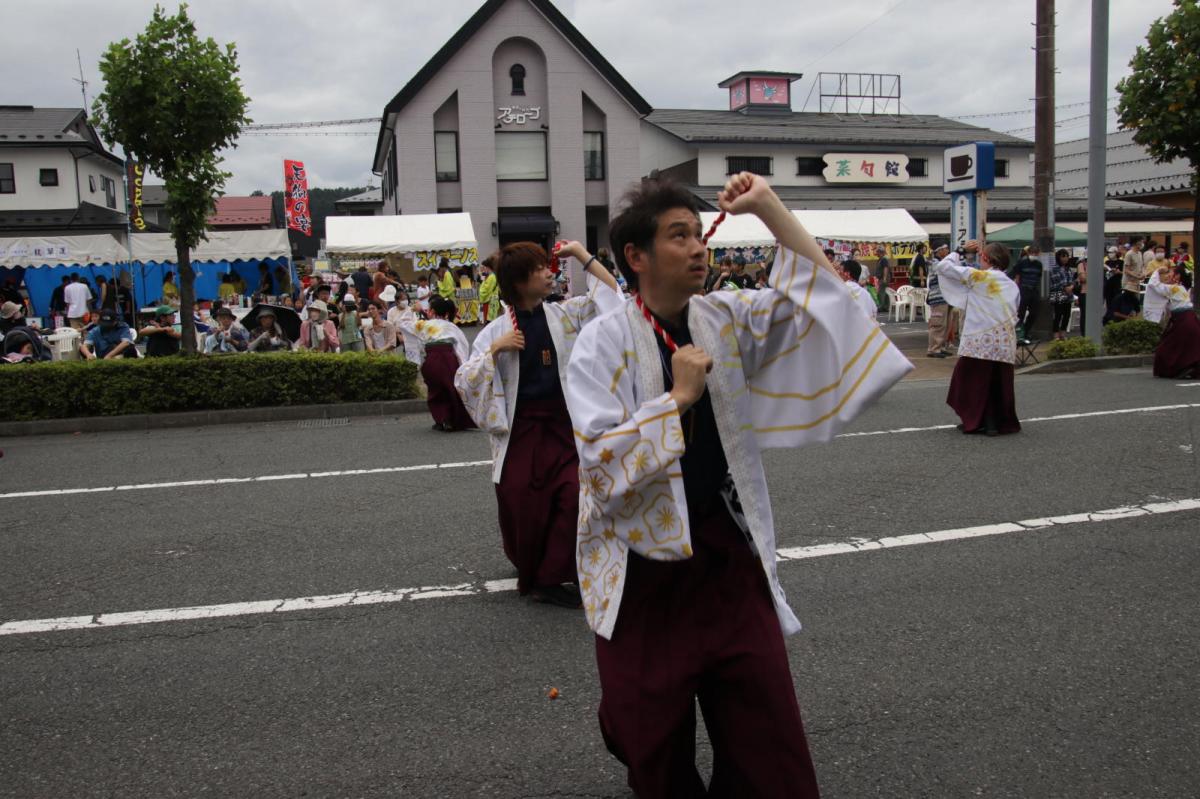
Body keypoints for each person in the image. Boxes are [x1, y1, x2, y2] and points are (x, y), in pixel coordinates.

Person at [564, 174, 910, 797]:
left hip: (727, 555)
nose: (698, 247)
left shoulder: (724, 317)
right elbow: (598, 466)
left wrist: (770, 209)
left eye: (699, 234)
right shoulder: (601, 342)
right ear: (636, 257)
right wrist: (677, 400)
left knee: (768, 740)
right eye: (679, 236)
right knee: (653, 747)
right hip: (643, 572)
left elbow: (824, 298)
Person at [454, 238, 621, 607]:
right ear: (519, 282)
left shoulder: (565, 314)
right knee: (522, 502)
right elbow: (464, 380)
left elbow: (611, 297)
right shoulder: (495, 331)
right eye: (540, 269)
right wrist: (495, 351)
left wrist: (581, 254)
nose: (550, 273)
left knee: (574, 496)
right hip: (520, 432)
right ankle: (535, 566)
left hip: (563, 426)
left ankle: (556, 576)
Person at [937, 240, 1021, 436]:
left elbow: (943, 267)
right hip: (1004, 341)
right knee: (997, 383)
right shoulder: (1011, 285)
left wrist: (959, 251)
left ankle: (977, 420)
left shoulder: (978, 277)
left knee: (971, 381)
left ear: (985, 258)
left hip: (978, 340)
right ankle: (997, 422)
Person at [394, 295, 477, 431]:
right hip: (449, 359)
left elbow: (402, 323)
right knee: (451, 389)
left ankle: (442, 419)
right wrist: (463, 365)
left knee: (435, 390)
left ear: (432, 311)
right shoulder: (452, 327)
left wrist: (412, 310)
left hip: (431, 359)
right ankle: (452, 419)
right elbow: (462, 346)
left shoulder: (425, 324)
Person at [1152, 265, 1200, 378]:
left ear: (1177, 276)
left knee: (1169, 347)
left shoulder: (1174, 288)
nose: (1168, 275)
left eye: (1170, 273)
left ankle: (1179, 369)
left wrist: (1157, 271)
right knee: (1188, 346)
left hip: (1184, 321)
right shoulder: (1181, 288)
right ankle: (1188, 369)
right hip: (1188, 319)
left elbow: (1155, 285)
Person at [926, 243, 953, 357]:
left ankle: (940, 346)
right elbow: (943, 270)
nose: (947, 251)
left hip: (946, 297)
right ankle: (933, 348)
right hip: (938, 297)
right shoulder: (934, 263)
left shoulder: (943, 263)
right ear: (939, 250)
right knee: (938, 324)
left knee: (946, 324)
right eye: (945, 249)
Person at [1010, 245, 1043, 342]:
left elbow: (1039, 277)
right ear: (1028, 253)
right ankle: (1018, 334)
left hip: (1034, 290)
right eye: (1032, 253)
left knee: (1034, 313)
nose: (1034, 255)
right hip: (1023, 289)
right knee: (1021, 313)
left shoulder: (1039, 264)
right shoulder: (1022, 262)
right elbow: (1014, 273)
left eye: (1036, 254)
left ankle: (1026, 332)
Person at [1048, 249, 1076, 341]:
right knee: (1058, 314)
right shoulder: (1054, 268)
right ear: (1058, 257)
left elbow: (1072, 280)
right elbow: (1056, 280)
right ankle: (1055, 334)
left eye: (1066, 256)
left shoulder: (1069, 269)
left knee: (1067, 315)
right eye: (1063, 256)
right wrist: (1065, 287)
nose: (1065, 258)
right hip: (1058, 294)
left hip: (1068, 295)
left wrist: (1071, 286)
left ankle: (1063, 333)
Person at [387, 296, 422, 363]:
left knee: (411, 341)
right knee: (389, 340)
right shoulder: (391, 311)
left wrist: (405, 334)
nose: (405, 301)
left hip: (409, 333)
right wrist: (398, 334)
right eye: (402, 299)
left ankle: (412, 362)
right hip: (395, 334)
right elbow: (390, 326)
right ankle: (393, 361)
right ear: (397, 302)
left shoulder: (410, 309)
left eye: (406, 299)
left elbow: (414, 324)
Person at [477, 255, 501, 323]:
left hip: (489, 300)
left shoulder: (491, 277)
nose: (483, 269)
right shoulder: (490, 275)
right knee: (490, 319)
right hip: (492, 299)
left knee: (489, 320)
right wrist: (481, 275)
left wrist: (480, 290)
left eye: (484, 267)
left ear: (488, 267)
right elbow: (482, 282)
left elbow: (486, 289)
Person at [873, 245, 891, 311]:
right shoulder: (880, 259)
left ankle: (881, 306)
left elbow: (885, 268)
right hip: (881, 278)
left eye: (877, 252)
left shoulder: (884, 259)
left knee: (881, 292)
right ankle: (886, 307)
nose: (877, 253)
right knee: (884, 292)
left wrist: (884, 278)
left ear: (881, 252)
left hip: (883, 278)